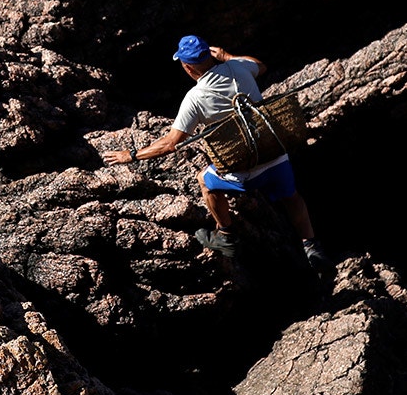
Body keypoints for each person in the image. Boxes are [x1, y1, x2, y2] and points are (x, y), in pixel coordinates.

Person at [102, 35, 329, 271]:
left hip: (244, 171)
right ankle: (311, 245)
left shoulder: (195, 98)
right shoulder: (239, 67)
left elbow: (170, 143)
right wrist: (228, 57)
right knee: (292, 198)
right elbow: (261, 66)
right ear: (210, 55)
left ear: (187, 67)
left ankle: (225, 235)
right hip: (275, 155)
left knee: (205, 181)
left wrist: (130, 155)